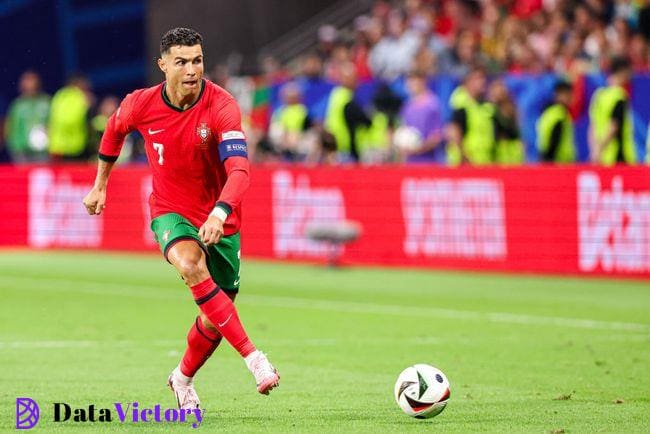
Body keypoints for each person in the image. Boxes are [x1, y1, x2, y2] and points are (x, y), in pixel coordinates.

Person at [82, 28, 280, 411]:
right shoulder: (140, 103)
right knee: (190, 264)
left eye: (198, 60)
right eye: (182, 62)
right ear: (163, 65)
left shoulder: (221, 105)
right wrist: (100, 184)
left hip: (221, 215)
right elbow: (114, 129)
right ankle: (255, 359)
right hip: (170, 210)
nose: (192, 70)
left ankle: (182, 378)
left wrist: (220, 212)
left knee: (217, 313)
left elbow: (239, 169)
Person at [589, 56, 637, 165]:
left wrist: (595, 152)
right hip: (619, 157)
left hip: (603, 159)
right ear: (623, 71)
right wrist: (600, 150)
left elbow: (593, 127)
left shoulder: (599, 95)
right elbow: (613, 126)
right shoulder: (619, 96)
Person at [447, 67, 495, 165]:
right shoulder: (460, 103)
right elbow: (453, 132)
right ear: (467, 82)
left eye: (483, 78)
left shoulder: (483, 104)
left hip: (483, 160)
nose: (482, 82)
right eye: (478, 78)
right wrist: (464, 157)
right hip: (466, 162)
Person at [397, 70, 444, 163]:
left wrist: (419, 149)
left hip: (428, 163)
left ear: (423, 81)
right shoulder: (407, 106)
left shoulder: (433, 104)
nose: (410, 84)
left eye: (414, 80)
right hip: (409, 164)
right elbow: (403, 129)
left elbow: (437, 136)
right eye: (409, 81)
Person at [4, 70, 50, 163]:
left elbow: (53, 123)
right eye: (27, 80)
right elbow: (10, 127)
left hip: (43, 152)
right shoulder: (17, 105)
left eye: (32, 80)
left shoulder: (46, 102)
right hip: (22, 153)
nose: (30, 84)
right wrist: (15, 148)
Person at [48, 74, 93, 160]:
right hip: (77, 147)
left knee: (62, 173)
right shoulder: (83, 97)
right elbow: (87, 121)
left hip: (58, 147)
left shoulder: (59, 95)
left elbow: (52, 119)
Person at [537, 81, 576, 163]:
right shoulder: (559, 114)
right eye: (568, 95)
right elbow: (554, 141)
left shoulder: (549, 112)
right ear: (558, 95)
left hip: (548, 159)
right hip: (559, 163)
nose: (571, 98)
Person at [488, 80, 524, 165]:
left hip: (512, 152)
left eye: (501, 91)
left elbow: (518, 130)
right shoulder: (489, 109)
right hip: (497, 152)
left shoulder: (512, 109)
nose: (498, 94)